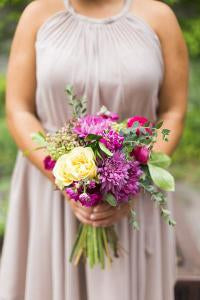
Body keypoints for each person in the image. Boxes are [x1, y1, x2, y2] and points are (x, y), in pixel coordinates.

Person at [0, 0, 188, 299]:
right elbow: (18, 109)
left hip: (135, 190)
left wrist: (129, 181)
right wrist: (68, 178)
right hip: (49, 187)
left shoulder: (159, 17)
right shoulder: (37, 14)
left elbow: (173, 112)